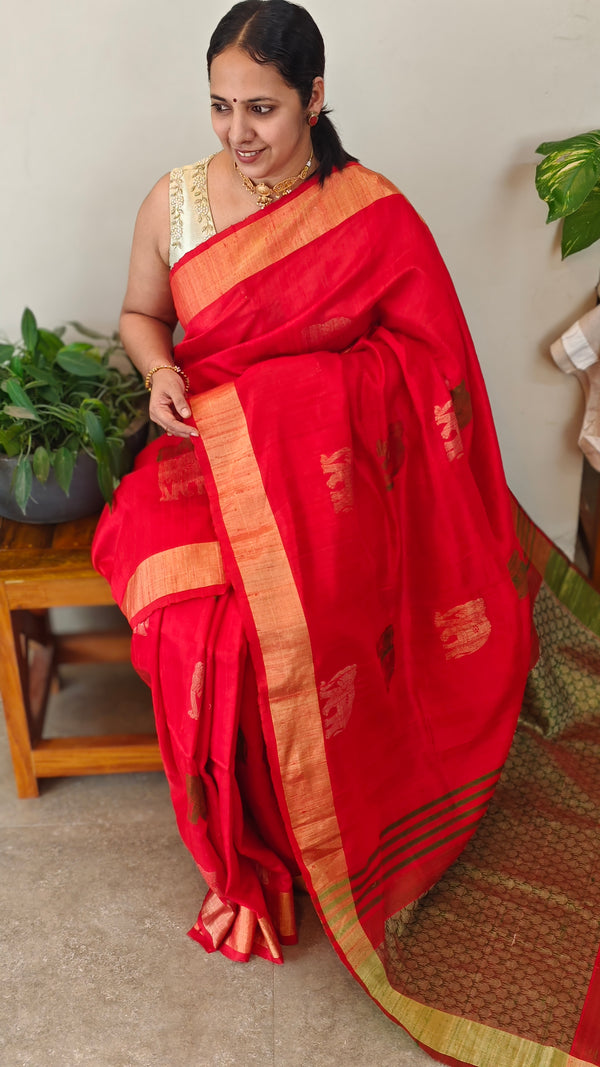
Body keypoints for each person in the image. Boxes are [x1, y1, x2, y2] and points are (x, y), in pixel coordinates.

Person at [92, 2, 540, 1062]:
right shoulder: (178, 198)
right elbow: (141, 315)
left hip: (337, 486)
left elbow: (432, 369)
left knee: (295, 620)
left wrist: (296, 403)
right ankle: (250, 848)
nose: (236, 131)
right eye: (219, 105)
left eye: (261, 107)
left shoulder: (369, 212)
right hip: (198, 452)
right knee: (195, 620)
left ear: (315, 98)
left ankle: (322, 838)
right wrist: (161, 374)